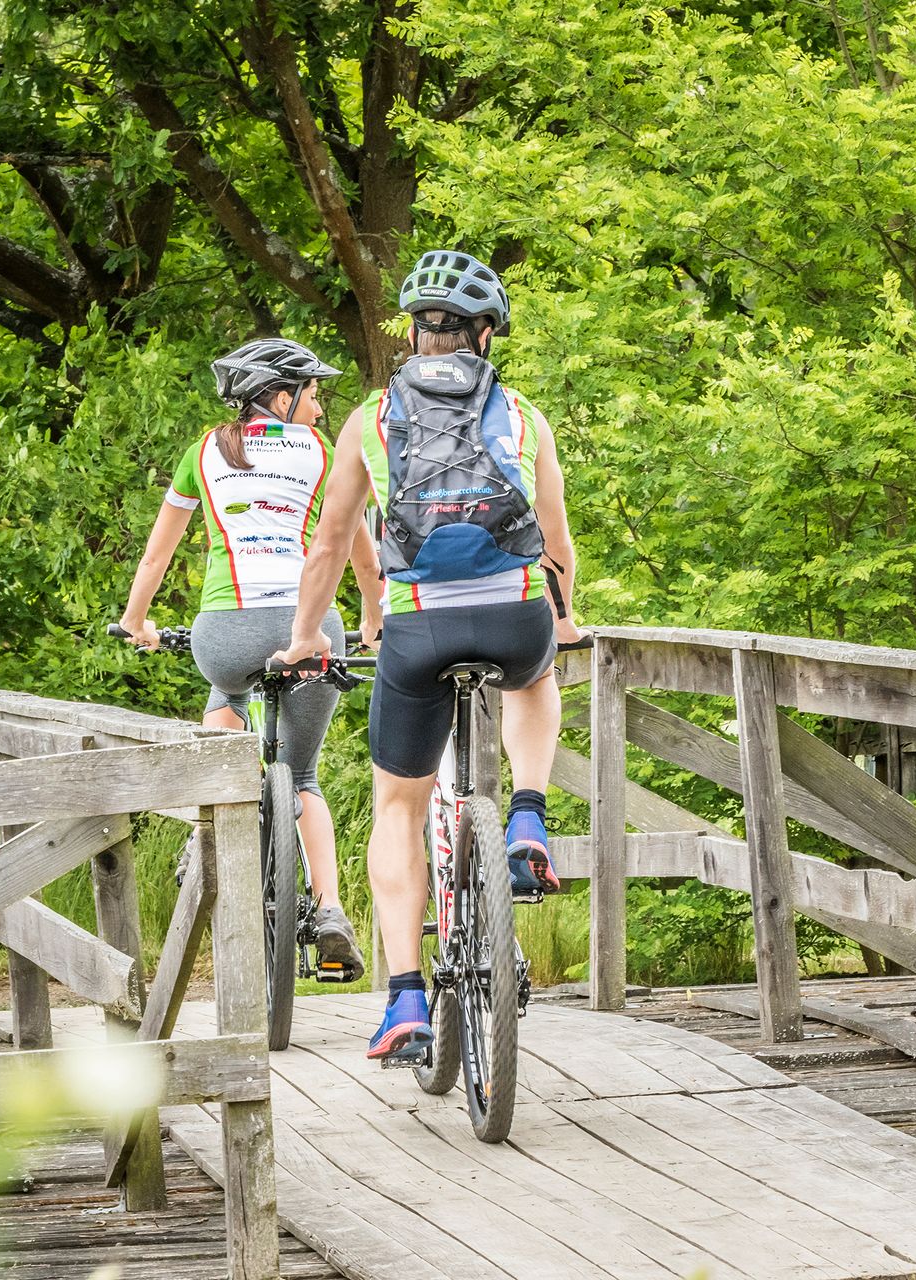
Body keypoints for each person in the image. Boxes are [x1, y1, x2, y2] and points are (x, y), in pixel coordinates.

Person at [272, 250, 584, 1061]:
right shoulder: (522, 413)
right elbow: (553, 542)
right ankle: (527, 818)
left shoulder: (370, 419)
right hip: (514, 617)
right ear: (485, 334)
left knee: (397, 810)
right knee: (536, 674)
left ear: (414, 332)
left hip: (415, 633)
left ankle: (406, 998)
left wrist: (309, 637)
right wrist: (569, 618)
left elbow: (330, 544)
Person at [118, 336, 382, 980]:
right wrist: (374, 619)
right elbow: (359, 553)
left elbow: (156, 557)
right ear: (282, 397)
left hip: (224, 633)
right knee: (304, 774)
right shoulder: (323, 453)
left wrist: (136, 625)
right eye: (314, 395)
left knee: (226, 694)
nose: (320, 409)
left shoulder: (203, 451)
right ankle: (329, 910)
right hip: (310, 628)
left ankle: (204, 831)